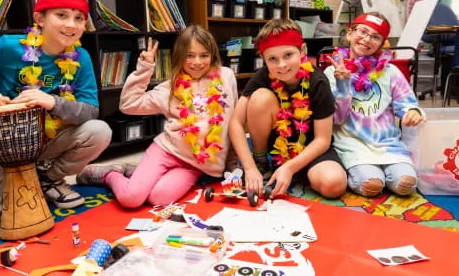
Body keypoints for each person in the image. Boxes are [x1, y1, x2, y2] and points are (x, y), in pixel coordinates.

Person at [0, 0, 112, 233]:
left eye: (79, 18)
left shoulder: (80, 57)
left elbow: (91, 109)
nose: (71, 25)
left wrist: (53, 102)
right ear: (40, 18)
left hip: (46, 139)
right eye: (61, 15)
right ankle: (11, 180)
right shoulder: (7, 46)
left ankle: (46, 179)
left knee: (99, 131)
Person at [76, 25, 238, 207]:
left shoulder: (226, 77)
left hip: (193, 165)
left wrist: (232, 164)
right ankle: (109, 174)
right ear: (179, 57)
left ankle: (137, 172)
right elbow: (129, 105)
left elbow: (233, 123)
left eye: (204, 55)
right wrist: (144, 69)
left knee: (158, 199)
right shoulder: (169, 89)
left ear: (213, 55)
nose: (197, 62)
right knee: (131, 199)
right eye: (190, 55)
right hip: (167, 151)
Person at [229, 19, 347, 200]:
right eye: (272, 59)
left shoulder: (318, 81)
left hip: (311, 150)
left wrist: (290, 167)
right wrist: (250, 167)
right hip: (277, 150)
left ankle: (294, 172)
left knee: (334, 184)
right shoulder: (262, 76)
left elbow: (322, 140)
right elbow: (236, 123)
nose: (282, 65)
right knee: (260, 97)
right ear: (264, 60)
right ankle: (262, 163)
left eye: (288, 55)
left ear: (303, 51)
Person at [324, 12, 426, 197]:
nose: (366, 39)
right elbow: (337, 119)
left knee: (406, 184)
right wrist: (343, 83)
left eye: (375, 37)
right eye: (362, 31)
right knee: (371, 185)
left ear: (382, 44)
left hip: (389, 145)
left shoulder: (390, 71)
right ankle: (363, 173)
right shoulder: (332, 72)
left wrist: (412, 111)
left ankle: (386, 173)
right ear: (349, 33)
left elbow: (407, 102)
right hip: (352, 145)